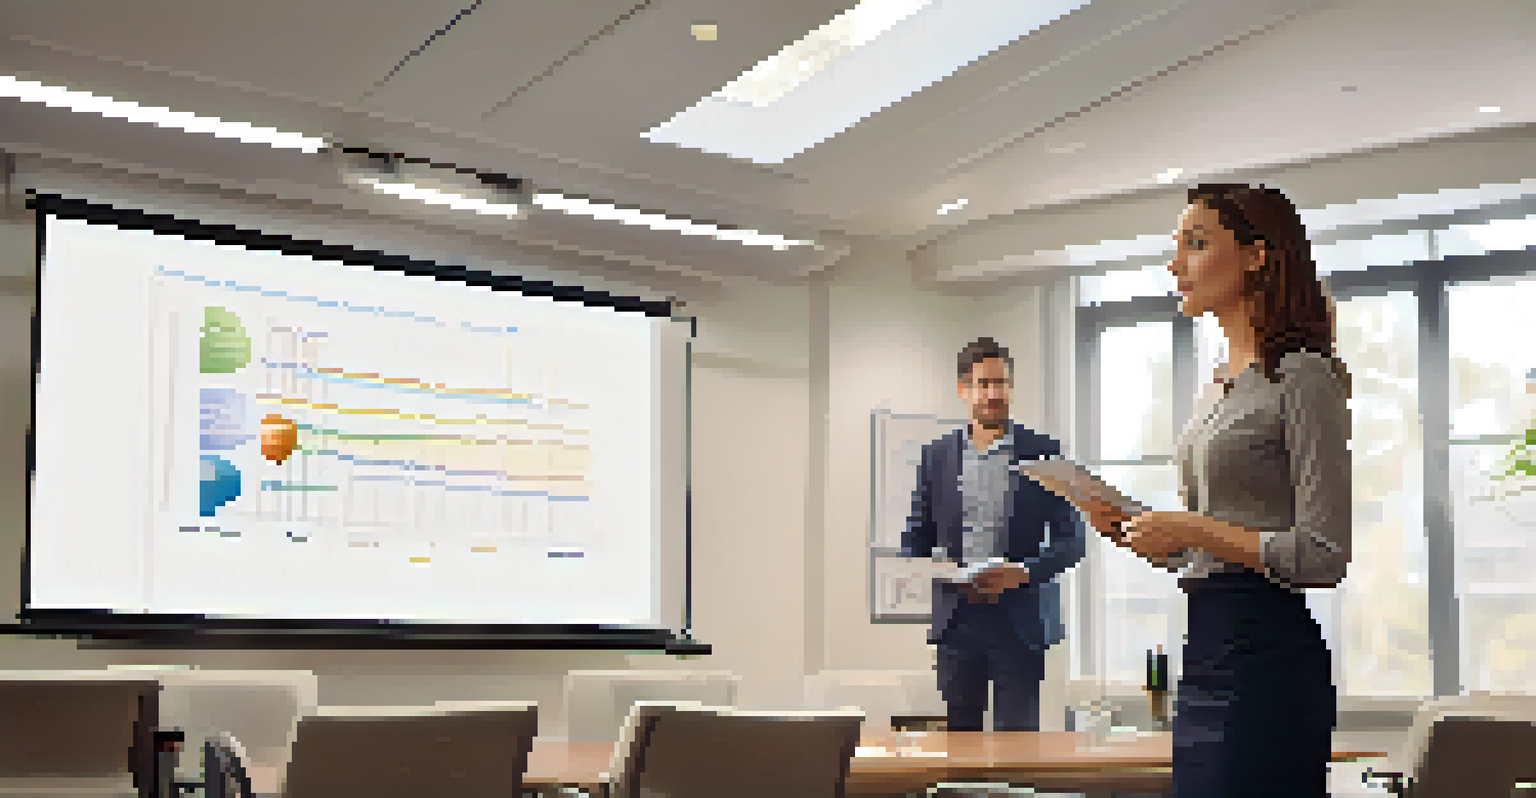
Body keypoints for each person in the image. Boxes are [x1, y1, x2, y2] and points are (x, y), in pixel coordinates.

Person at [1081, 183, 1353, 797]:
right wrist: (1148, 536)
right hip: (1204, 652)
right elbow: (1217, 544)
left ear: (1257, 255)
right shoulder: (1219, 385)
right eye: (1176, 247)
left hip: (1267, 659)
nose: (1176, 263)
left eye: (1196, 244)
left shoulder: (1305, 375)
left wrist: (1190, 528)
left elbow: (1324, 552)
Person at [902, 337, 1087, 732]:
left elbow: (1073, 541)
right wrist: (933, 569)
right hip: (957, 620)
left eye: (1001, 383)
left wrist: (1022, 571)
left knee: (1018, 749)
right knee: (959, 746)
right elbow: (916, 537)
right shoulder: (936, 457)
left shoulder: (1045, 453)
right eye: (983, 384)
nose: (993, 394)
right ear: (963, 390)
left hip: (1019, 620)